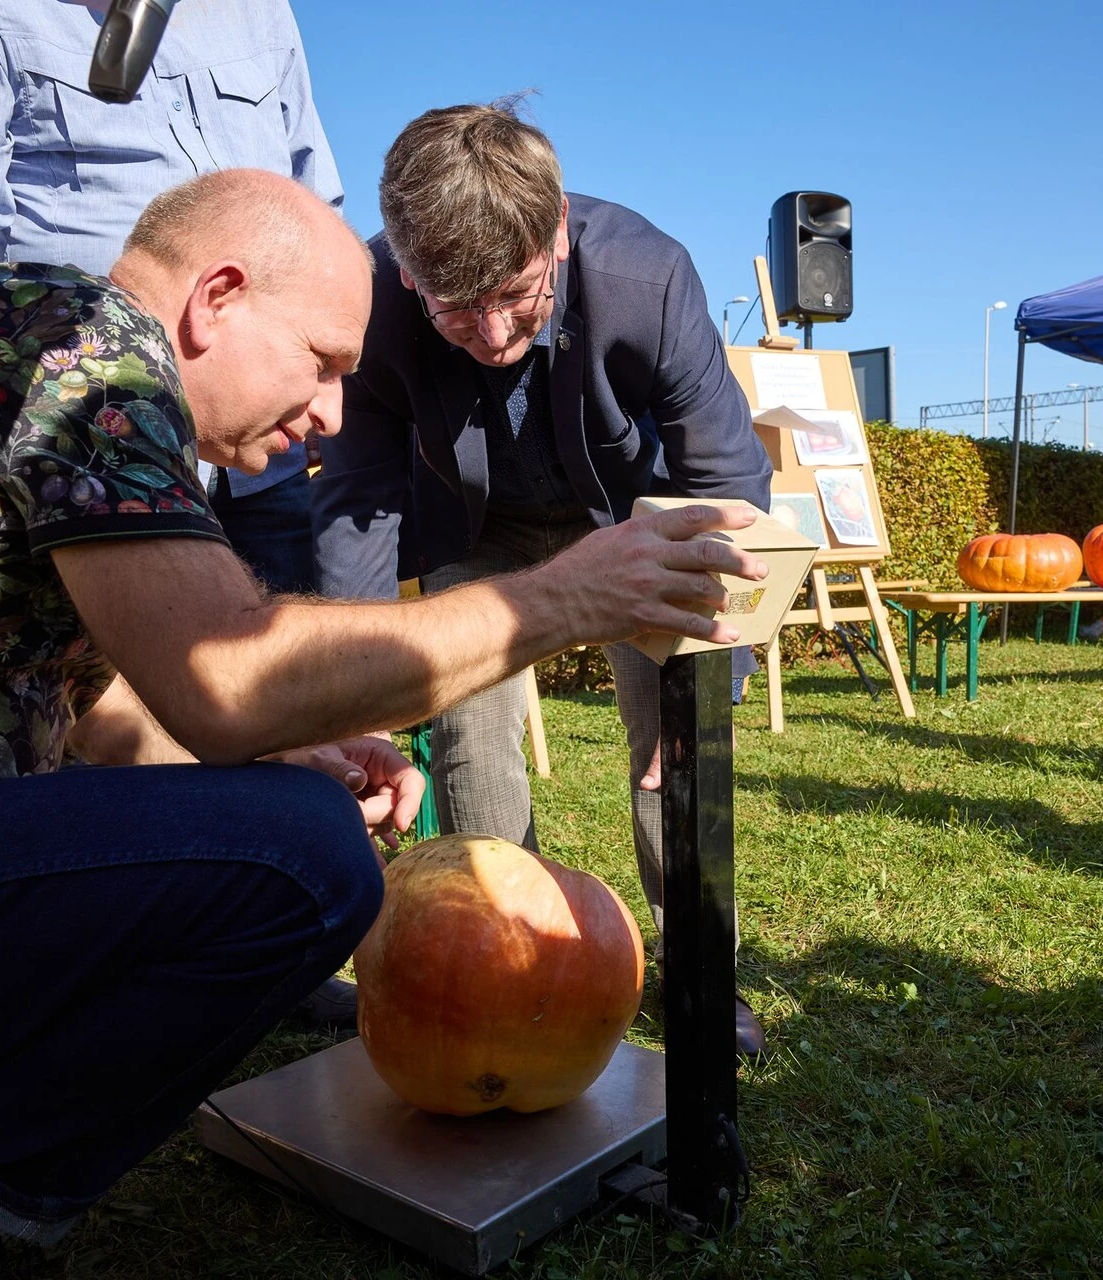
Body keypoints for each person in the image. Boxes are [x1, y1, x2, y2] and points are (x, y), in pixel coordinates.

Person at [0, 170, 768, 1278]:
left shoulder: (42, 343)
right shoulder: (86, 340)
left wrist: (287, 751)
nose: (332, 411)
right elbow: (224, 672)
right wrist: (559, 598)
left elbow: (109, 707)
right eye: (324, 361)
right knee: (307, 859)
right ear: (216, 298)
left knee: (285, 815)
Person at [311, 102, 774, 1058]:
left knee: (675, 756)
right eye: (451, 304)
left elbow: (725, 484)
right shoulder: (368, 303)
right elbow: (358, 495)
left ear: (556, 231)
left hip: (633, 521)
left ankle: (698, 970)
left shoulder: (648, 280)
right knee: (471, 732)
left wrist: (704, 689)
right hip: (475, 532)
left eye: (515, 295)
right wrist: (352, 689)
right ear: (406, 270)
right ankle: (501, 956)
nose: (487, 333)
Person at [0, 0, 340, 597]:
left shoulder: (260, 11)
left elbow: (316, 208)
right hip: (90, 452)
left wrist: (315, 377)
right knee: (101, 681)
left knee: (286, 671)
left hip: (263, 465)